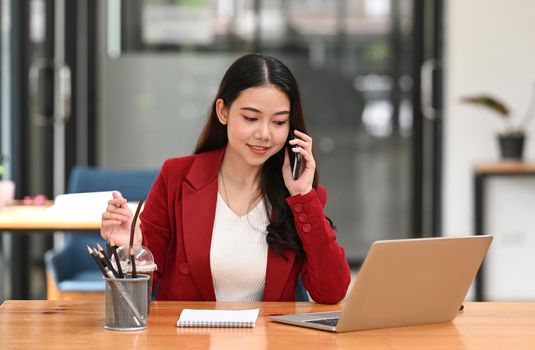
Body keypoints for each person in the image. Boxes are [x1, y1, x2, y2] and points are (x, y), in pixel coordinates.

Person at [100, 53, 351, 304]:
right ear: (223, 111)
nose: (264, 133)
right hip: (189, 340)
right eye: (251, 118)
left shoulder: (297, 196)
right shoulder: (176, 178)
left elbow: (332, 292)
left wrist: (303, 196)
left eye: (279, 122)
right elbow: (133, 302)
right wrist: (128, 251)